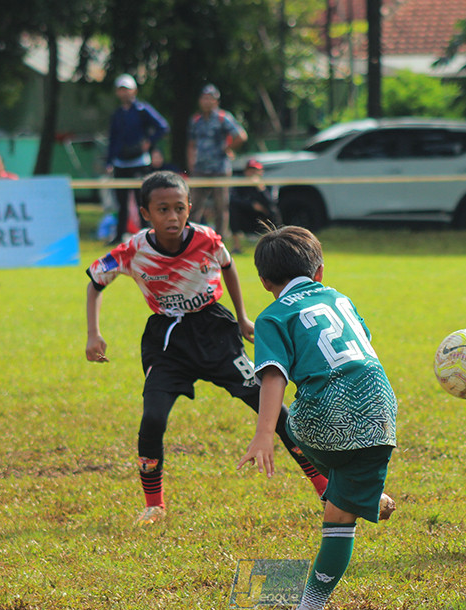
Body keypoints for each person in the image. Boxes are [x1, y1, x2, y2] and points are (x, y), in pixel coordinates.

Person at [85, 171, 328, 526]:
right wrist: (94, 333)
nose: (172, 217)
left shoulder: (207, 239)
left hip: (216, 331)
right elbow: (94, 281)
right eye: (162, 209)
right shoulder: (133, 249)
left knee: (272, 409)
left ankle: (324, 486)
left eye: (179, 208)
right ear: (145, 213)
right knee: (152, 418)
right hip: (167, 341)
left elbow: (228, 267)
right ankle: (154, 505)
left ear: (189, 208)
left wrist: (243, 318)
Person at [238, 225, 397, 610]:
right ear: (319, 271)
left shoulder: (273, 315)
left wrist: (263, 433)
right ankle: (364, 491)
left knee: (336, 517)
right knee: (343, 472)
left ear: (264, 282)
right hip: (380, 404)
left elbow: (273, 375)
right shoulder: (339, 298)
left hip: (324, 415)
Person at [106, 74, 169, 244]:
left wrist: (149, 142)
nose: (124, 93)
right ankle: (119, 236)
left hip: (139, 161)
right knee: (121, 202)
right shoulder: (117, 114)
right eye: (121, 89)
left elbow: (162, 126)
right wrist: (109, 161)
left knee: (142, 200)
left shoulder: (143, 109)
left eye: (127, 89)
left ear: (134, 90)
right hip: (121, 162)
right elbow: (112, 139)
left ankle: (146, 234)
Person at [187, 84, 248, 239]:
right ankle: (191, 238)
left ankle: (219, 240)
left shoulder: (223, 118)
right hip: (200, 169)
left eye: (210, 98)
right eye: (204, 98)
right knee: (193, 206)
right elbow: (191, 143)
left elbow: (241, 135)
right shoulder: (196, 120)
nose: (206, 101)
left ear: (216, 101)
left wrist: (228, 148)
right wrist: (191, 163)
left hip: (219, 169)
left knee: (221, 207)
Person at [228, 158, 275, 254]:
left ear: (261, 172)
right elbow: (233, 200)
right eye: (250, 170)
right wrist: (252, 205)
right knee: (233, 209)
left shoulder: (268, 185)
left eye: (255, 170)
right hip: (246, 219)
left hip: (263, 219)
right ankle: (237, 246)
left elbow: (271, 202)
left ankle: (274, 244)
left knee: (274, 211)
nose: (252, 173)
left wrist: (261, 188)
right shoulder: (240, 186)